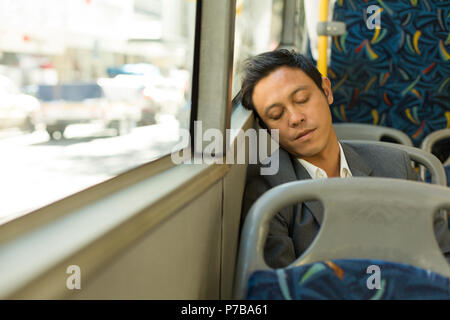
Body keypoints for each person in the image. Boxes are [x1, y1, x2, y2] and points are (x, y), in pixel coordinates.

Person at [239, 49, 450, 268]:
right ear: (267, 130)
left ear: (327, 91)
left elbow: (440, 260)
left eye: (302, 99)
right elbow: (280, 286)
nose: (295, 118)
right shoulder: (268, 193)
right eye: (276, 115)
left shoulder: (396, 167)